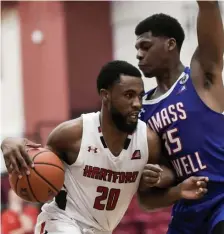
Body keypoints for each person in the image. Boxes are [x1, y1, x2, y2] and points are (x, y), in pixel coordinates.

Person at [1, 60, 208, 234]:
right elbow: (37, 168)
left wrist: (170, 185)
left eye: (140, 96)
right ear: (106, 95)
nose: (137, 103)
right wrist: (8, 142)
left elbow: (147, 201)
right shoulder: (72, 135)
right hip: (61, 222)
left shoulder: (148, 141)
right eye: (128, 95)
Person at [135, 1, 224, 234]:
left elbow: (209, 9)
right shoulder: (140, 110)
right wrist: (159, 180)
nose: (139, 54)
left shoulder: (200, 75)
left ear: (170, 44)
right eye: (137, 48)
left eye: (145, 46)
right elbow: (146, 201)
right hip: (188, 206)